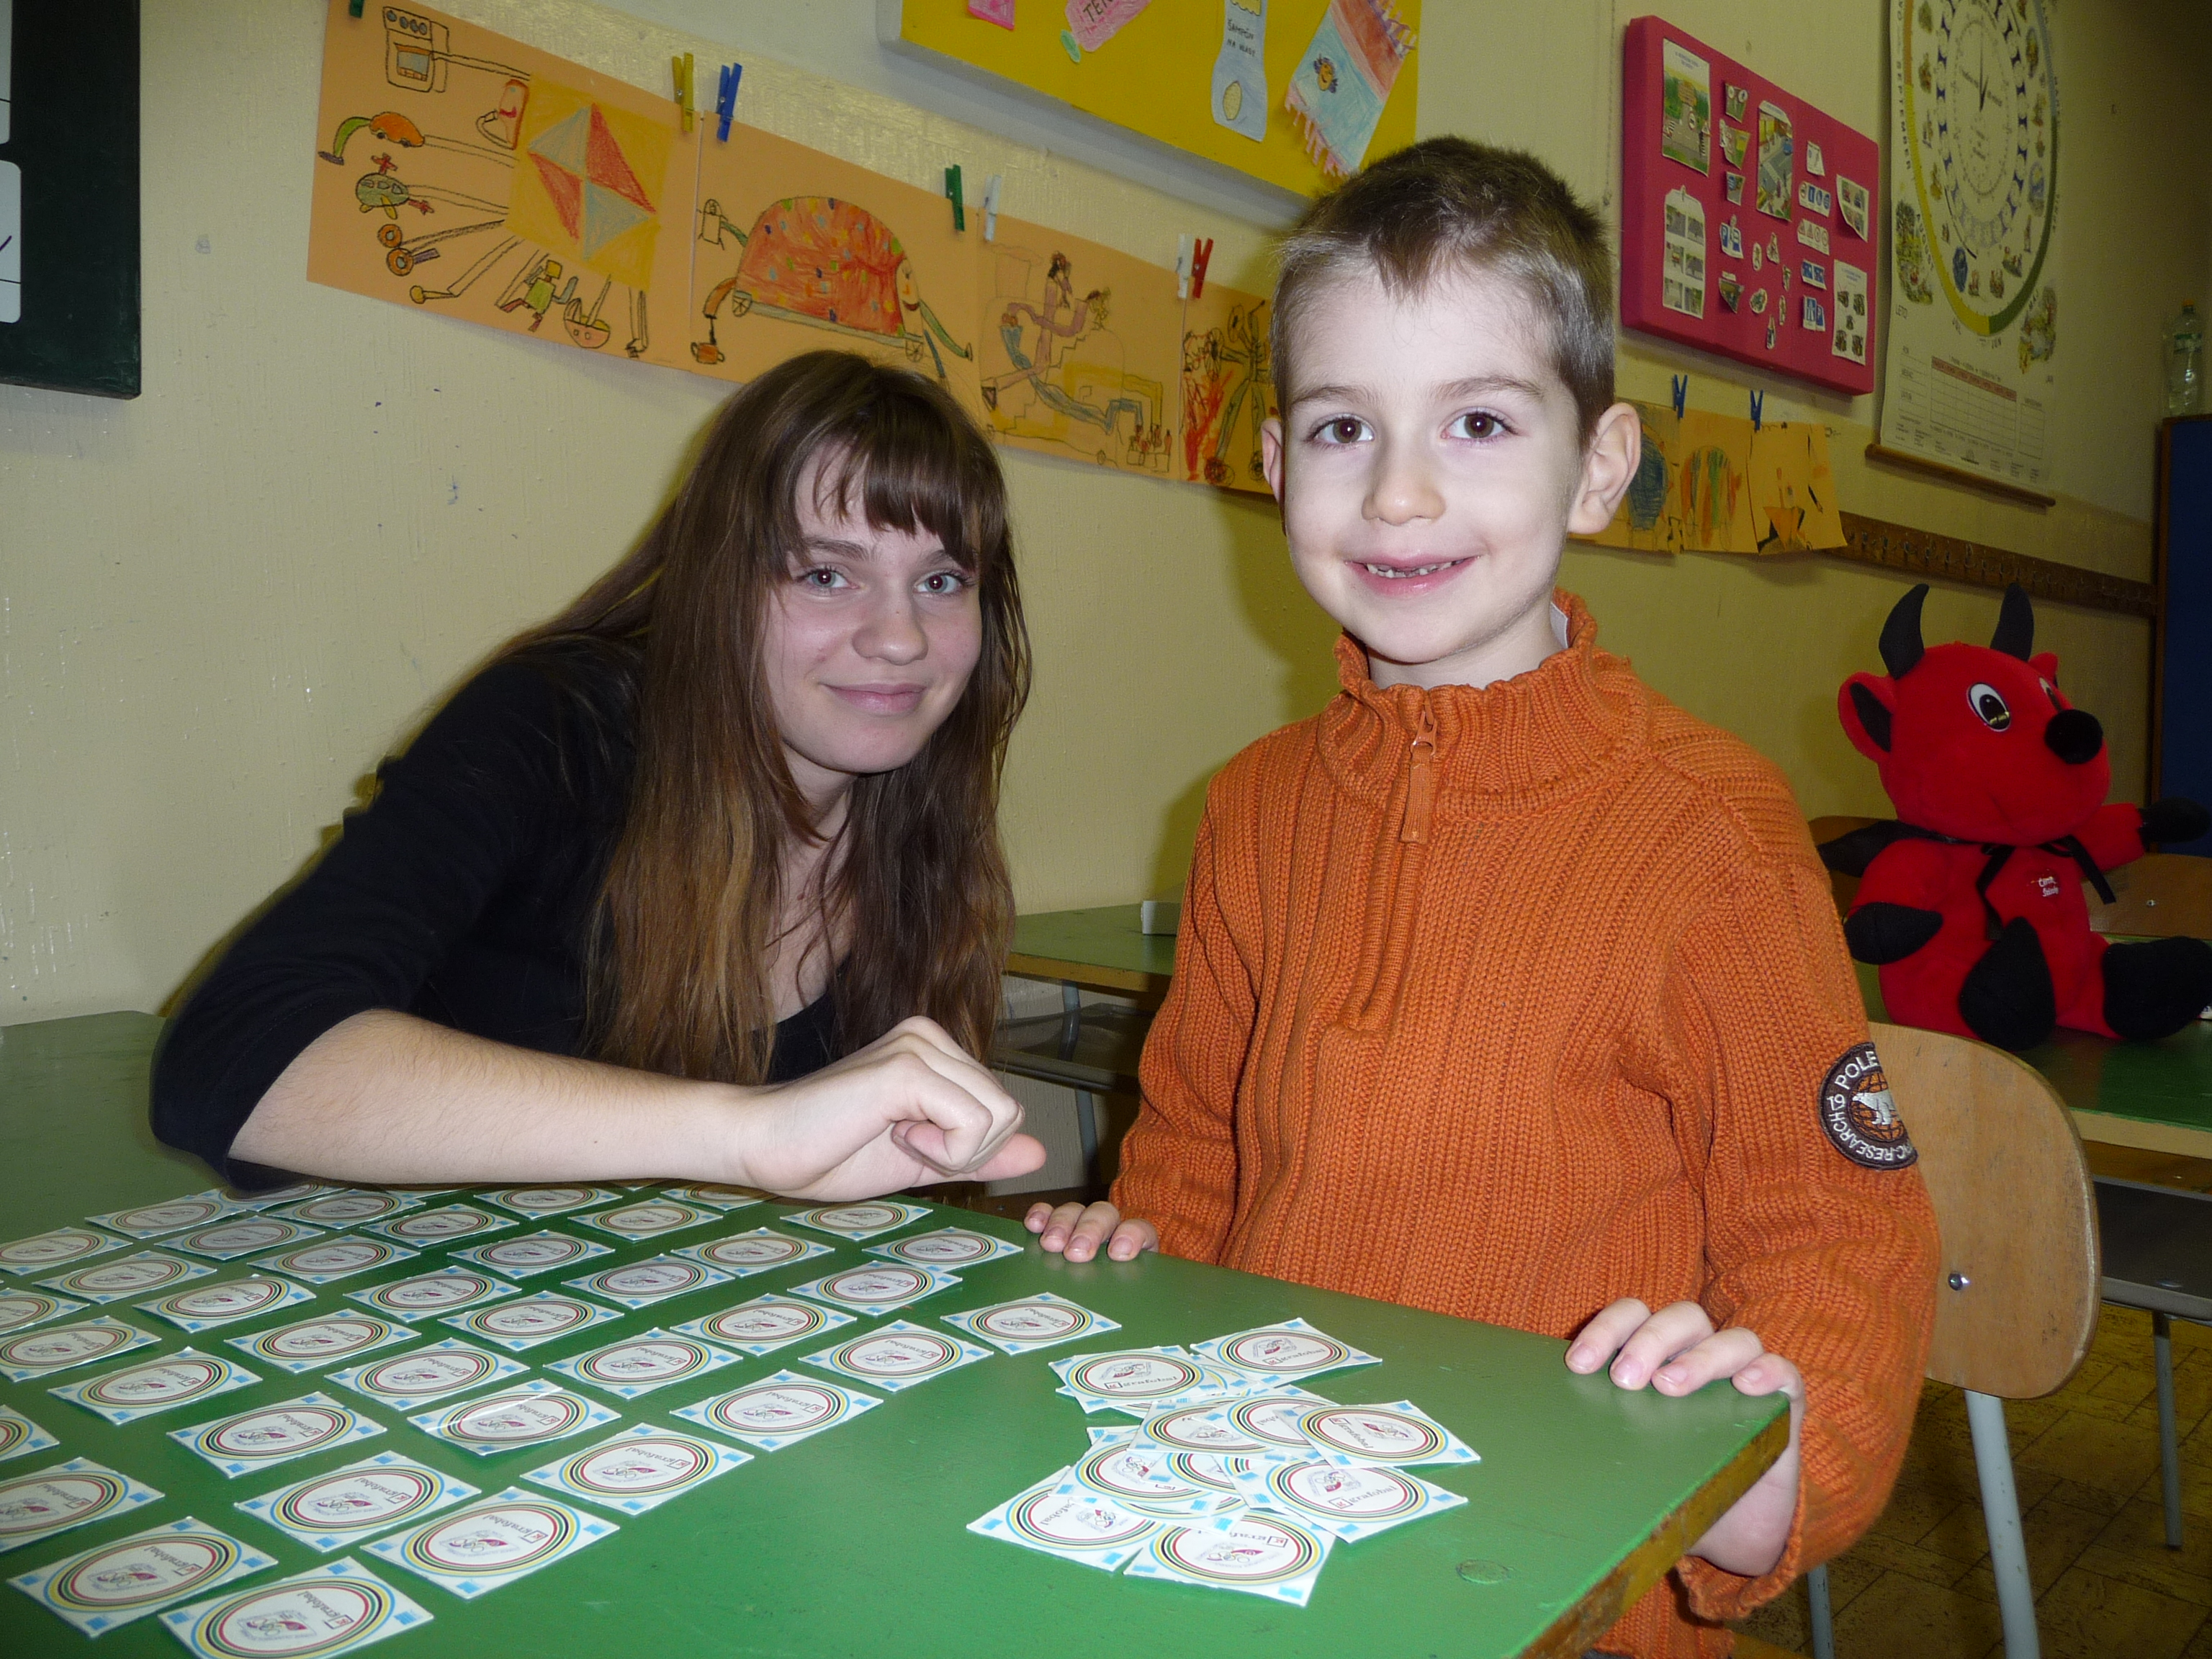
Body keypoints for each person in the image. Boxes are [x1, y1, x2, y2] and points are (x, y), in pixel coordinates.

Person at [1026, 139, 1938, 1658]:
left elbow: (1836, 1230)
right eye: (1343, 427)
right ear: (1276, 467)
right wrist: (1138, 1258)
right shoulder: (1250, 808)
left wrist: (1774, 1464)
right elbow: (1196, 1139)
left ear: (1599, 465)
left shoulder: (1710, 829)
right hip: (1266, 1541)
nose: (1399, 491)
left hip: (1568, 1591)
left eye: (1479, 420)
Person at [153, 351, 1045, 1202]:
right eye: (824, 574)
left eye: (941, 582)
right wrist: (747, 1133)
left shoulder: (920, 806)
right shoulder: (553, 727)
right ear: (717, 588)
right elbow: (229, 1062)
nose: (900, 639)